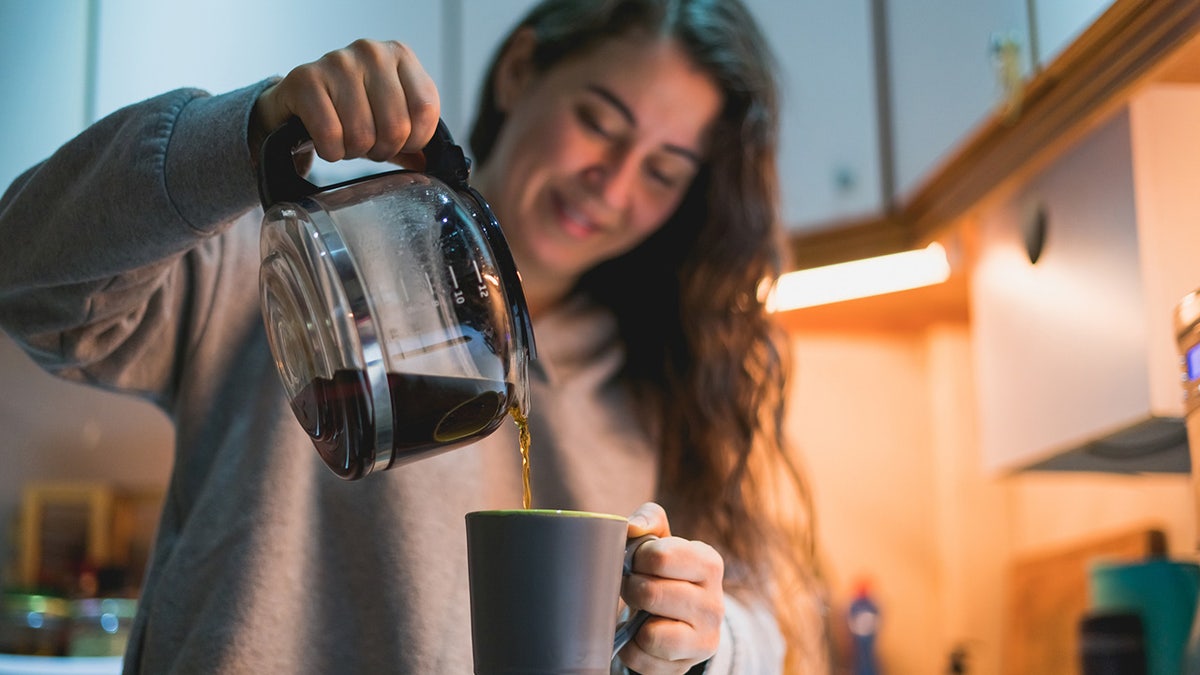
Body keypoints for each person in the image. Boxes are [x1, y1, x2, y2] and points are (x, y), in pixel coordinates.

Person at [0, 0, 827, 672]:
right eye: (599, 121)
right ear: (520, 70)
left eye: (663, 170)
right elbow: (28, 276)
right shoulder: (282, 252)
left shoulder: (669, 375)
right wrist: (246, 131)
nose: (611, 184)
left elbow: (759, 616)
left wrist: (705, 637)